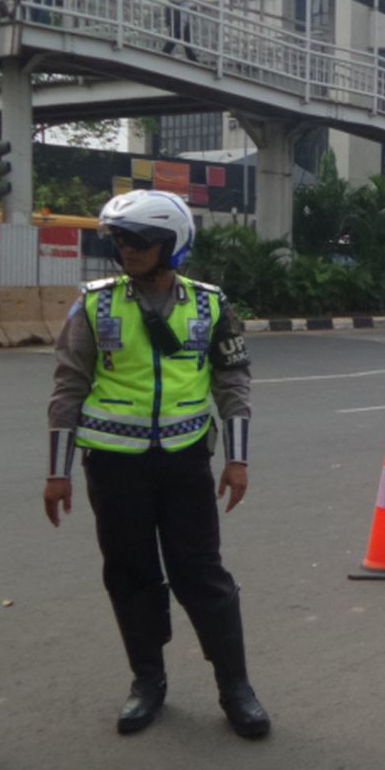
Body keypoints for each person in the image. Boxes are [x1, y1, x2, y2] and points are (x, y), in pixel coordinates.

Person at [43, 190, 269, 738]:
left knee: (203, 575)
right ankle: (148, 681)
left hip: (186, 465)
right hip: (115, 469)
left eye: (141, 240)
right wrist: (57, 471)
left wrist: (238, 460)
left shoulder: (211, 305)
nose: (128, 250)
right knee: (130, 574)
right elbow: (68, 386)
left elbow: (233, 383)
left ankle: (236, 687)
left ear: (172, 244)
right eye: (121, 239)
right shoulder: (95, 305)